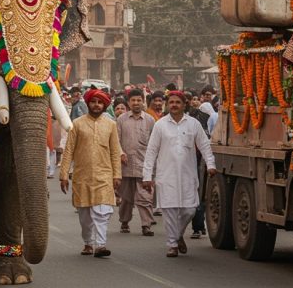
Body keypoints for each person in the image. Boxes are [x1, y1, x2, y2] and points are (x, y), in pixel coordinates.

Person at [142, 91, 217, 258]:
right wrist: (147, 176)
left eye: (178, 102)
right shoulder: (160, 125)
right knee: (169, 211)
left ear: (184, 105)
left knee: (189, 210)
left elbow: (204, 146)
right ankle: (172, 245)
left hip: (188, 176)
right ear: (168, 105)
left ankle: (177, 235)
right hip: (166, 176)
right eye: (171, 102)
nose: (174, 105)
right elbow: (151, 151)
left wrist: (211, 164)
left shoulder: (193, 124)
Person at [59, 89, 122, 258]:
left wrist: (117, 175)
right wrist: (64, 174)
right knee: (85, 216)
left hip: (104, 175)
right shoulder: (77, 124)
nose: (96, 105)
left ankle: (100, 245)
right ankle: (88, 242)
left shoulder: (111, 125)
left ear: (104, 105)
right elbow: (69, 151)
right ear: (88, 103)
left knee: (102, 212)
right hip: (82, 176)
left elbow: (115, 152)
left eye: (100, 102)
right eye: (93, 102)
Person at [116, 89, 156, 237]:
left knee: (145, 197)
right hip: (125, 165)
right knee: (126, 197)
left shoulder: (150, 120)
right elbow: (116, 140)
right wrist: (120, 153)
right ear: (128, 102)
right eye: (133, 100)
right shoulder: (121, 120)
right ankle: (124, 222)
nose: (136, 103)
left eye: (139, 100)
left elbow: (154, 143)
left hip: (144, 165)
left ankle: (146, 225)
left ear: (143, 101)